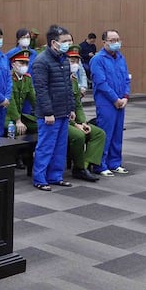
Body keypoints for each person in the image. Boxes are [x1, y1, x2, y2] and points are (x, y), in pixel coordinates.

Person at [30, 24, 75, 191]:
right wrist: (48, 112)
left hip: (63, 111)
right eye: (65, 41)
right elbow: (41, 90)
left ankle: (55, 176)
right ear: (54, 42)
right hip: (49, 114)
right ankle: (39, 178)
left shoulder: (64, 59)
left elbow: (68, 87)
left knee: (60, 147)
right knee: (46, 146)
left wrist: (71, 108)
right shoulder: (41, 62)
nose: (68, 44)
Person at [90, 29, 130, 177]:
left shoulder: (120, 58)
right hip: (106, 102)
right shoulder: (98, 59)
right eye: (112, 40)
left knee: (117, 134)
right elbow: (101, 83)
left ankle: (115, 163)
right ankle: (100, 164)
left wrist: (125, 96)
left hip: (120, 101)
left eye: (117, 39)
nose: (116, 43)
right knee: (105, 134)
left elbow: (126, 78)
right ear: (104, 42)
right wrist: (115, 99)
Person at [66, 45, 105, 182]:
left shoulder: (74, 80)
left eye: (77, 61)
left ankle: (84, 166)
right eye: (71, 61)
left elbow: (78, 105)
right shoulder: (59, 80)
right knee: (79, 135)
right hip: (61, 121)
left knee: (99, 133)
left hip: (75, 120)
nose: (75, 64)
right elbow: (57, 107)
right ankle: (79, 167)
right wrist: (74, 125)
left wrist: (82, 122)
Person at [6, 50, 38, 135]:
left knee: (42, 126)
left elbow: (34, 99)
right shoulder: (8, 78)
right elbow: (10, 101)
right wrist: (18, 120)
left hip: (20, 116)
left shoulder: (27, 79)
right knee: (16, 131)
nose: (24, 66)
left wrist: (45, 114)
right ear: (13, 64)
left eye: (26, 63)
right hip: (7, 117)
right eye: (21, 63)